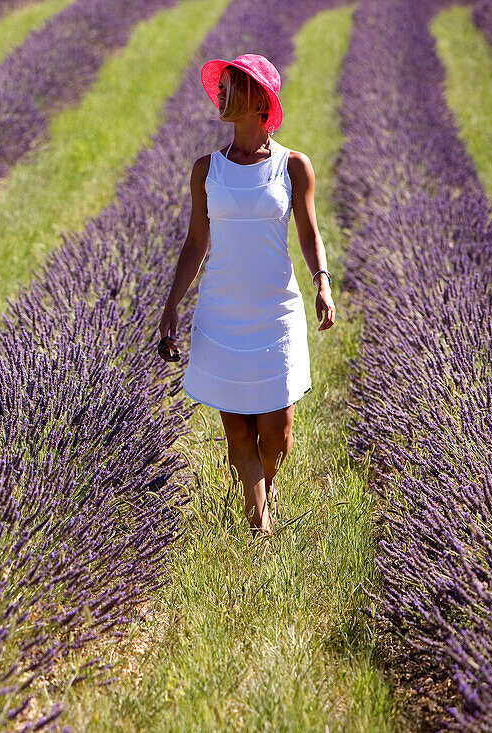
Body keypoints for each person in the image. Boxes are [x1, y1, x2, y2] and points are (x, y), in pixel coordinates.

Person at [157, 53, 336, 537]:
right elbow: (196, 244)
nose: (220, 93)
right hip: (222, 312)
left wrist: (322, 281)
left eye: (231, 86)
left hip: (276, 311)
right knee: (238, 429)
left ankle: (262, 487)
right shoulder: (206, 169)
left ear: (259, 99)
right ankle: (260, 528)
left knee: (277, 435)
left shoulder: (293, 166)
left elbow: (309, 233)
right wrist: (173, 303)